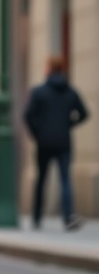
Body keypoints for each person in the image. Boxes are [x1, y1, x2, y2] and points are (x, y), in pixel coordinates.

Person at [24, 56, 89, 230]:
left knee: (41, 180)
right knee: (65, 179)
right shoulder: (70, 91)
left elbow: (28, 115)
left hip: (44, 142)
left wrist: (37, 132)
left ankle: (37, 217)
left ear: (49, 69)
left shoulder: (39, 91)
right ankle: (68, 217)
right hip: (63, 141)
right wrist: (68, 124)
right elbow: (84, 113)